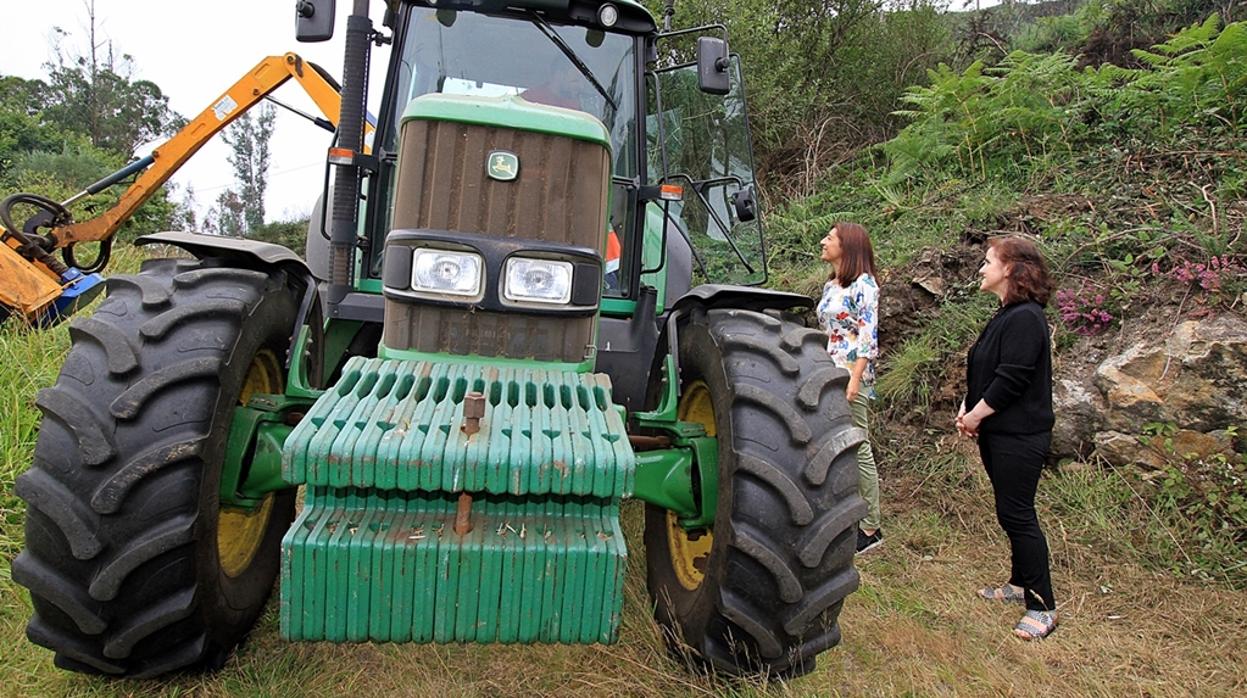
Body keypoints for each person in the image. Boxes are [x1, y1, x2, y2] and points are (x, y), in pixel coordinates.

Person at [957, 235, 1058, 641]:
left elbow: (1011, 380)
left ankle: (1042, 605)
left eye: (988, 261)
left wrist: (976, 415)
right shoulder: (1006, 315)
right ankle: (1019, 584)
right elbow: (984, 369)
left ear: (1012, 269)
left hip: (1020, 435)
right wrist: (968, 408)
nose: (982, 268)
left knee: (1018, 514)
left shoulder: (1026, 318)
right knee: (1009, 511)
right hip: (998, 432)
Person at [816, 222, 883, 554]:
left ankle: (871, 526)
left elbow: (868, 339)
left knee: (858, 445)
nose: (823, 242)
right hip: (828, 372)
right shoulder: (832, 285)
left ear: (849, 246)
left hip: (850, 377)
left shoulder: (865, 286)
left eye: (830, 238)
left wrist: (855, 380)